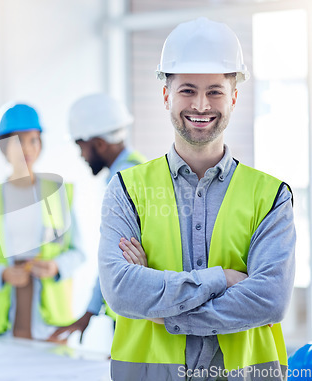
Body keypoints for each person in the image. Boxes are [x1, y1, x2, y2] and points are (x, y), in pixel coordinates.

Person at [98, 18, 295, 381]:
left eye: (215, 91)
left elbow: (270, 299)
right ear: (166, 96)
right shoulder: (127, 188)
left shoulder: (271, 197)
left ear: (233, 96)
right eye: (187, 90)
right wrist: (224, 278)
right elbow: (121, 291)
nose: (201, 105)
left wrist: (160, 305)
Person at [0, 103, 84, 341]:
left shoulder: (59, 193)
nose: (27, 149)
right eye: (18, 141)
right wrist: (1, 274)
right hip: (2, 318)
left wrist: (56, 266)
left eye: (34, 140)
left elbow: (78, 251)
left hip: (52, 319)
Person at [49, 93, 146, 342]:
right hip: (138, 309)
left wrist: (90, 312)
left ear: (100, 144)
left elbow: (113, 257)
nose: (81, 155)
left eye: (80, 146)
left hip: (134, 315)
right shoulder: (141, 171)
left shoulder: (123, 181)